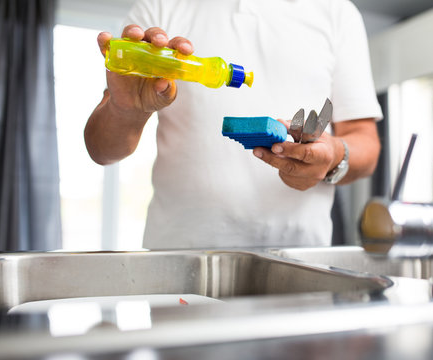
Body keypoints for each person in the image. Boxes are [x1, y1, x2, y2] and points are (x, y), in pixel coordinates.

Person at [85, 0, 383, 250]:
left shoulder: (337, 12)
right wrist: (125, 111)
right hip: (178, 266)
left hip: (300, 264)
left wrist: (332, 156)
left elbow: (366, 145)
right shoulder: (161, 5)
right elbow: (101, 150)